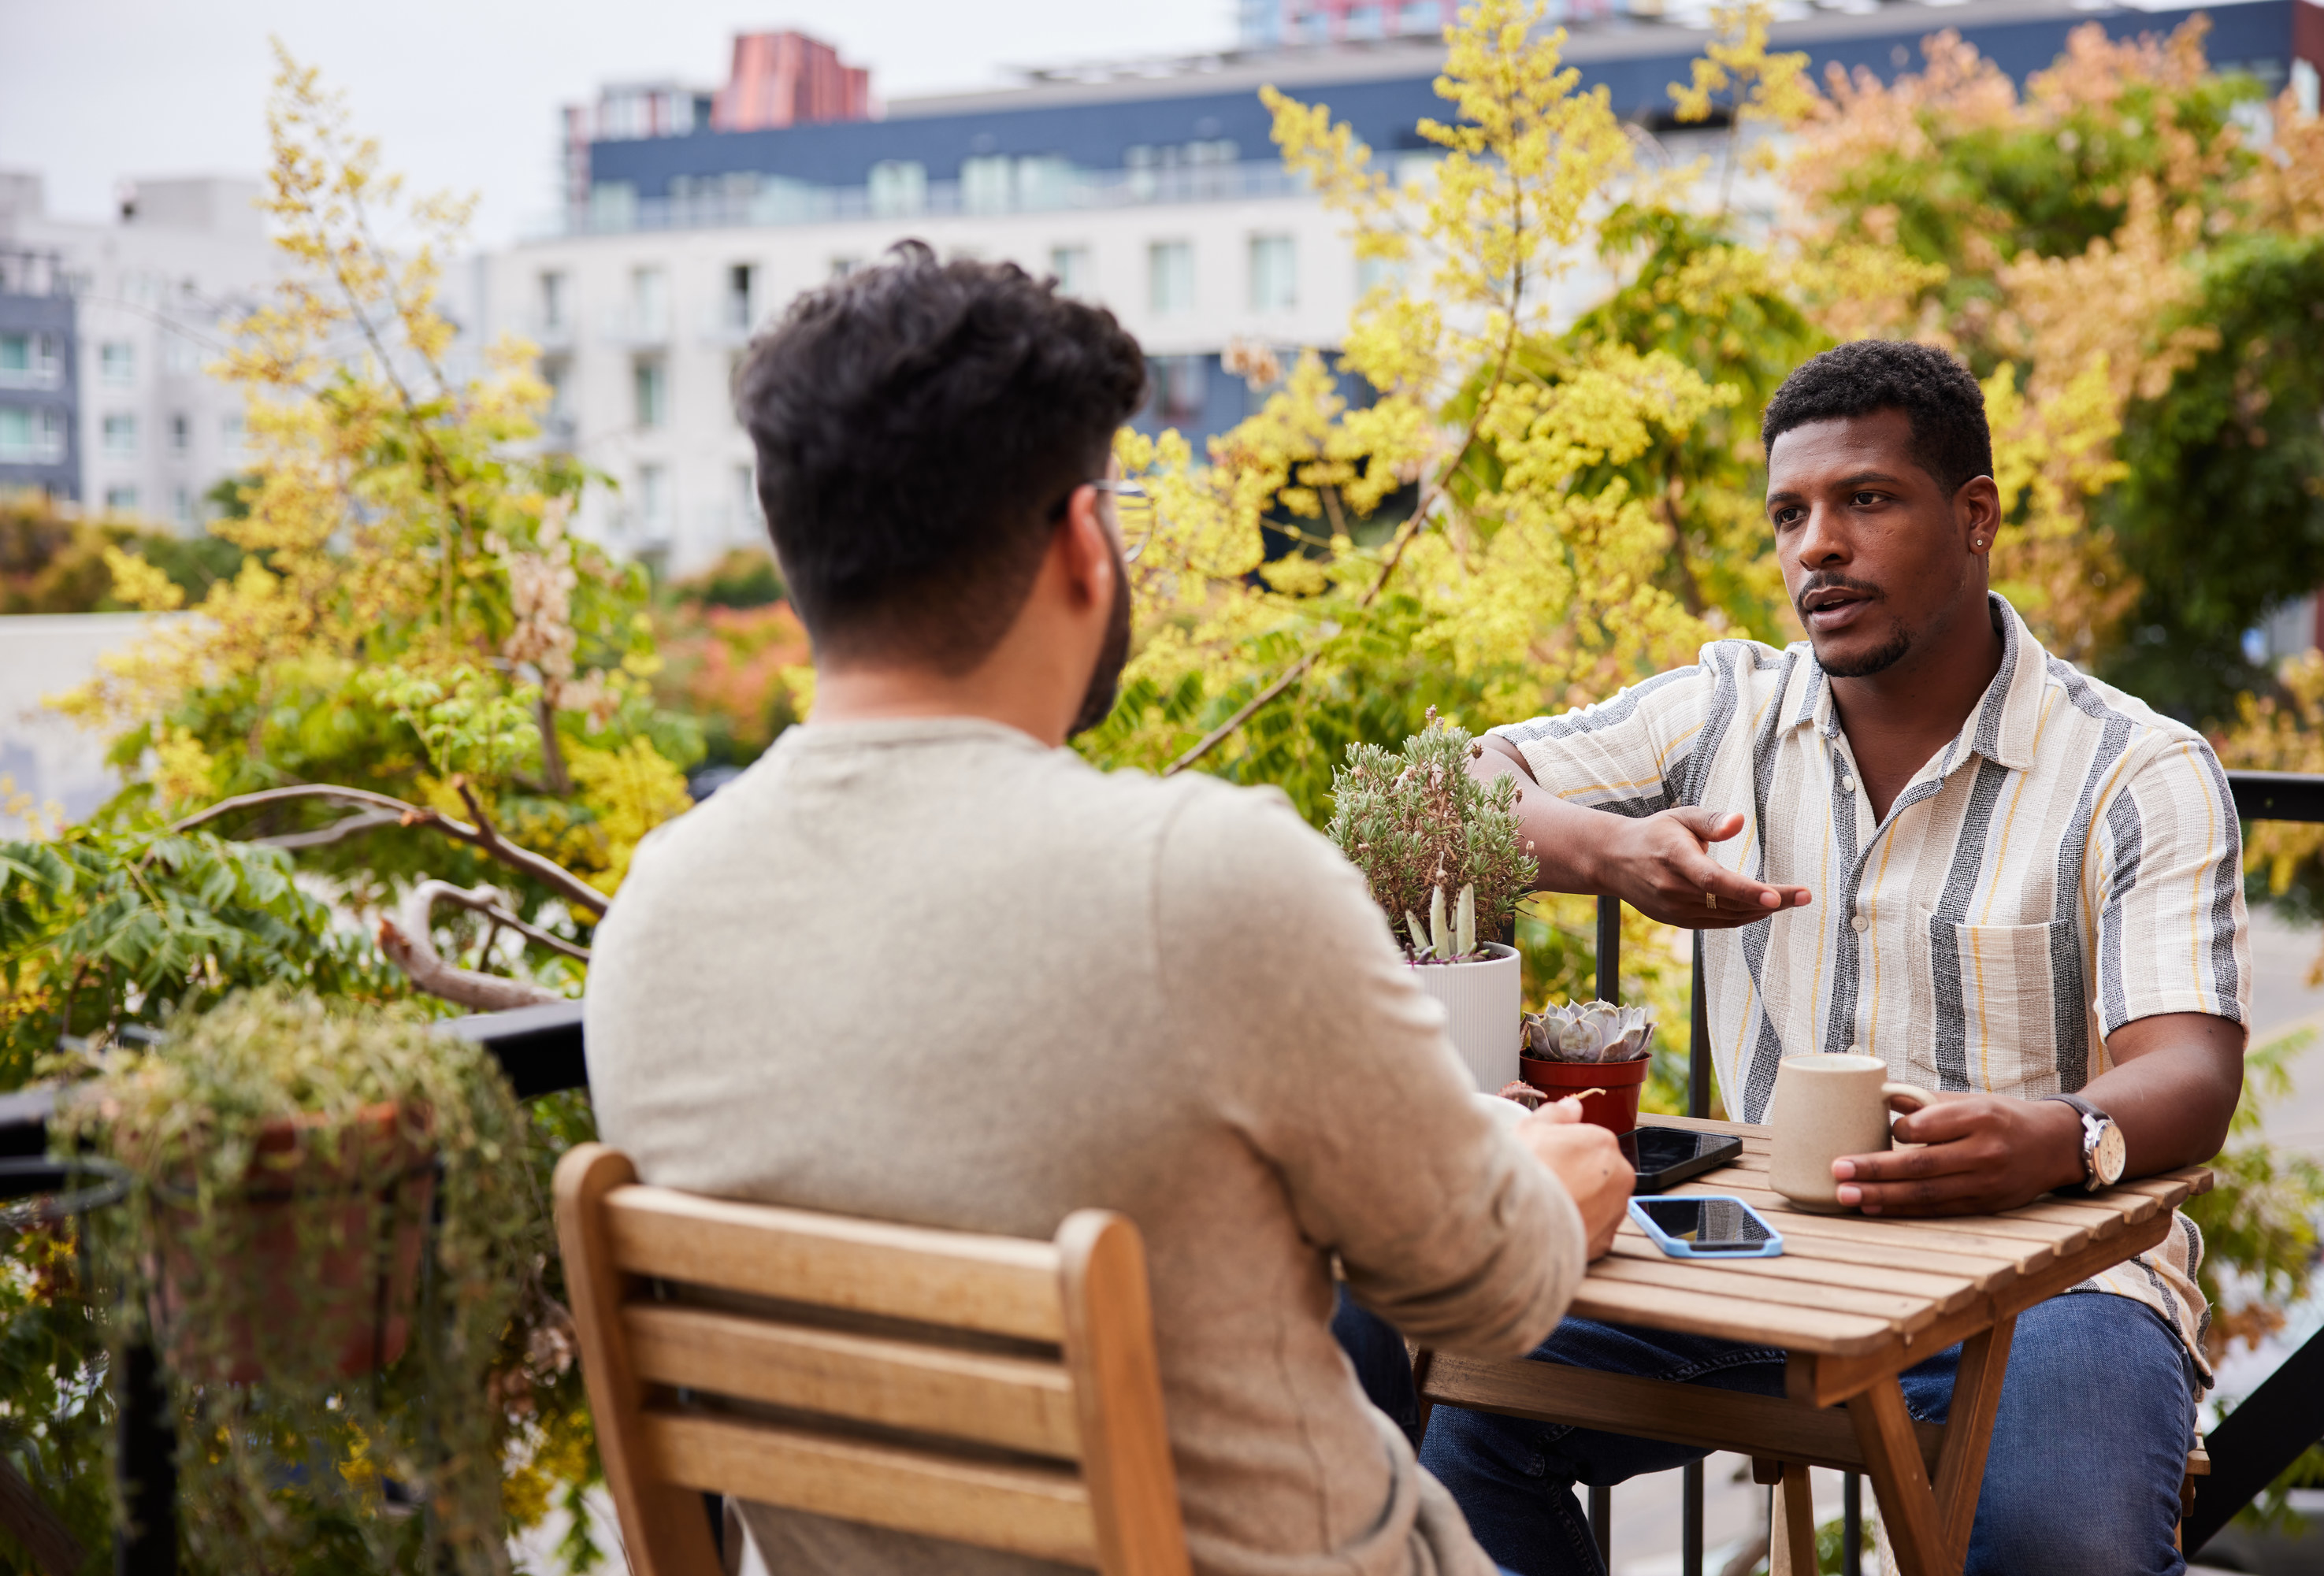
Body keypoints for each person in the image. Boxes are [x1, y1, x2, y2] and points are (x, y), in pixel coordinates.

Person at [584, 242, 1635, 1576]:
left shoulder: (654, 918)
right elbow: (1487, 1291)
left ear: (798, 560)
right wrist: (1551, 1182)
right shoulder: (1202, 882)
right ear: (1086, 538)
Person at [1421, 339, 2247, 1576]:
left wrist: (2058, 1135)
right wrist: (1611, 851)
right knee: (1458, 1421)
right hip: (1759, 1253)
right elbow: (1449, 789)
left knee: (2060, 1542)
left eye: (1866, 500)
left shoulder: (2137, 767)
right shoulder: (1722, 711)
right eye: (1790, 513)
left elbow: (2190, 1067)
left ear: (1975, 517)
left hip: (2053, 1289)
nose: (1817, 545)